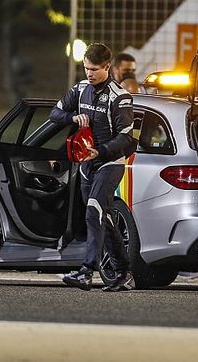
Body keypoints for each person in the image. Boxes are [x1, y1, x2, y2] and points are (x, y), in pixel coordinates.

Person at [50, 43, 137, 291]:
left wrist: (101, 151)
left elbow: (126, 137)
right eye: (86, 68)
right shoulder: (80, 89)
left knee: (93, 212)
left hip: (109, 164)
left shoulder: (120, 97)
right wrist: (72, 117)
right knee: (104, 218)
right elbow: (54, 114)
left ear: (108, 67)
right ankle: (124, 274)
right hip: (86, 165)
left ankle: (87, 271)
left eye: (94, 69)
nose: (89, 73)